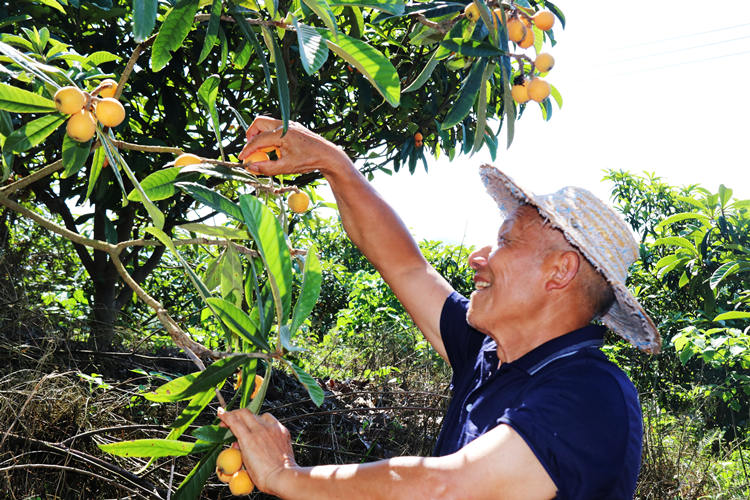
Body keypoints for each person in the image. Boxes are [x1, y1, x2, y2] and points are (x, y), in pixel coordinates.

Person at [218, 116, 662, 499]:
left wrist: (285, 478)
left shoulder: (591, 393)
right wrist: (332, 162)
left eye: (506, 240)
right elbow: (407, 267)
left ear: (560, 272)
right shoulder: (488, 352)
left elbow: (447, 488)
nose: (479, 257)